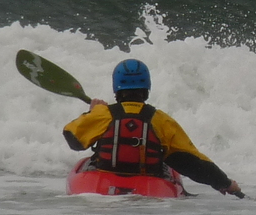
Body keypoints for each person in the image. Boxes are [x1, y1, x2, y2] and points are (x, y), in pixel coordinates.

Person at [64, 58, 244, 197]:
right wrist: (225, 183)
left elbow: (73, 138)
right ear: (146, 88)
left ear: (116, 88)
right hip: (150, 186)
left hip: (101, 187)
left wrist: (92, 112)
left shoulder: (103, 114)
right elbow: (192, 163)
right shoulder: (161, 120)